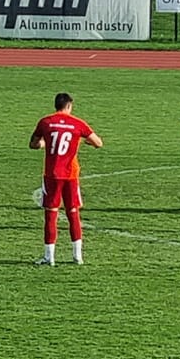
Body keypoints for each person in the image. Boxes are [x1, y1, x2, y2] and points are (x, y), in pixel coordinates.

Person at [30, 92, 102, 265]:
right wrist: (83, 141)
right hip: (71, 175)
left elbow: (33, 144)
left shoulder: (45, 122)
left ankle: (49, 257)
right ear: (69, 106)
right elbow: (98, 143)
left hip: (52, 175)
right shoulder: (78, 123)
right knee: (73, 213)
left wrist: (45, 143)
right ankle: (77, 256)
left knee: (51, 215)